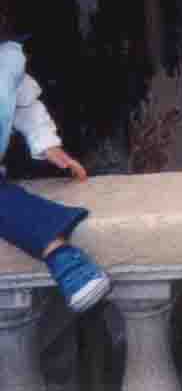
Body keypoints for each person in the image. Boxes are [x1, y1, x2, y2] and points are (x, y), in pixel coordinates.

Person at [0, 40, 112, 312]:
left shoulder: (7, 64)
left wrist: (47, 144)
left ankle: (64, 258)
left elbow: (26, 106)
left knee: (10, 206)